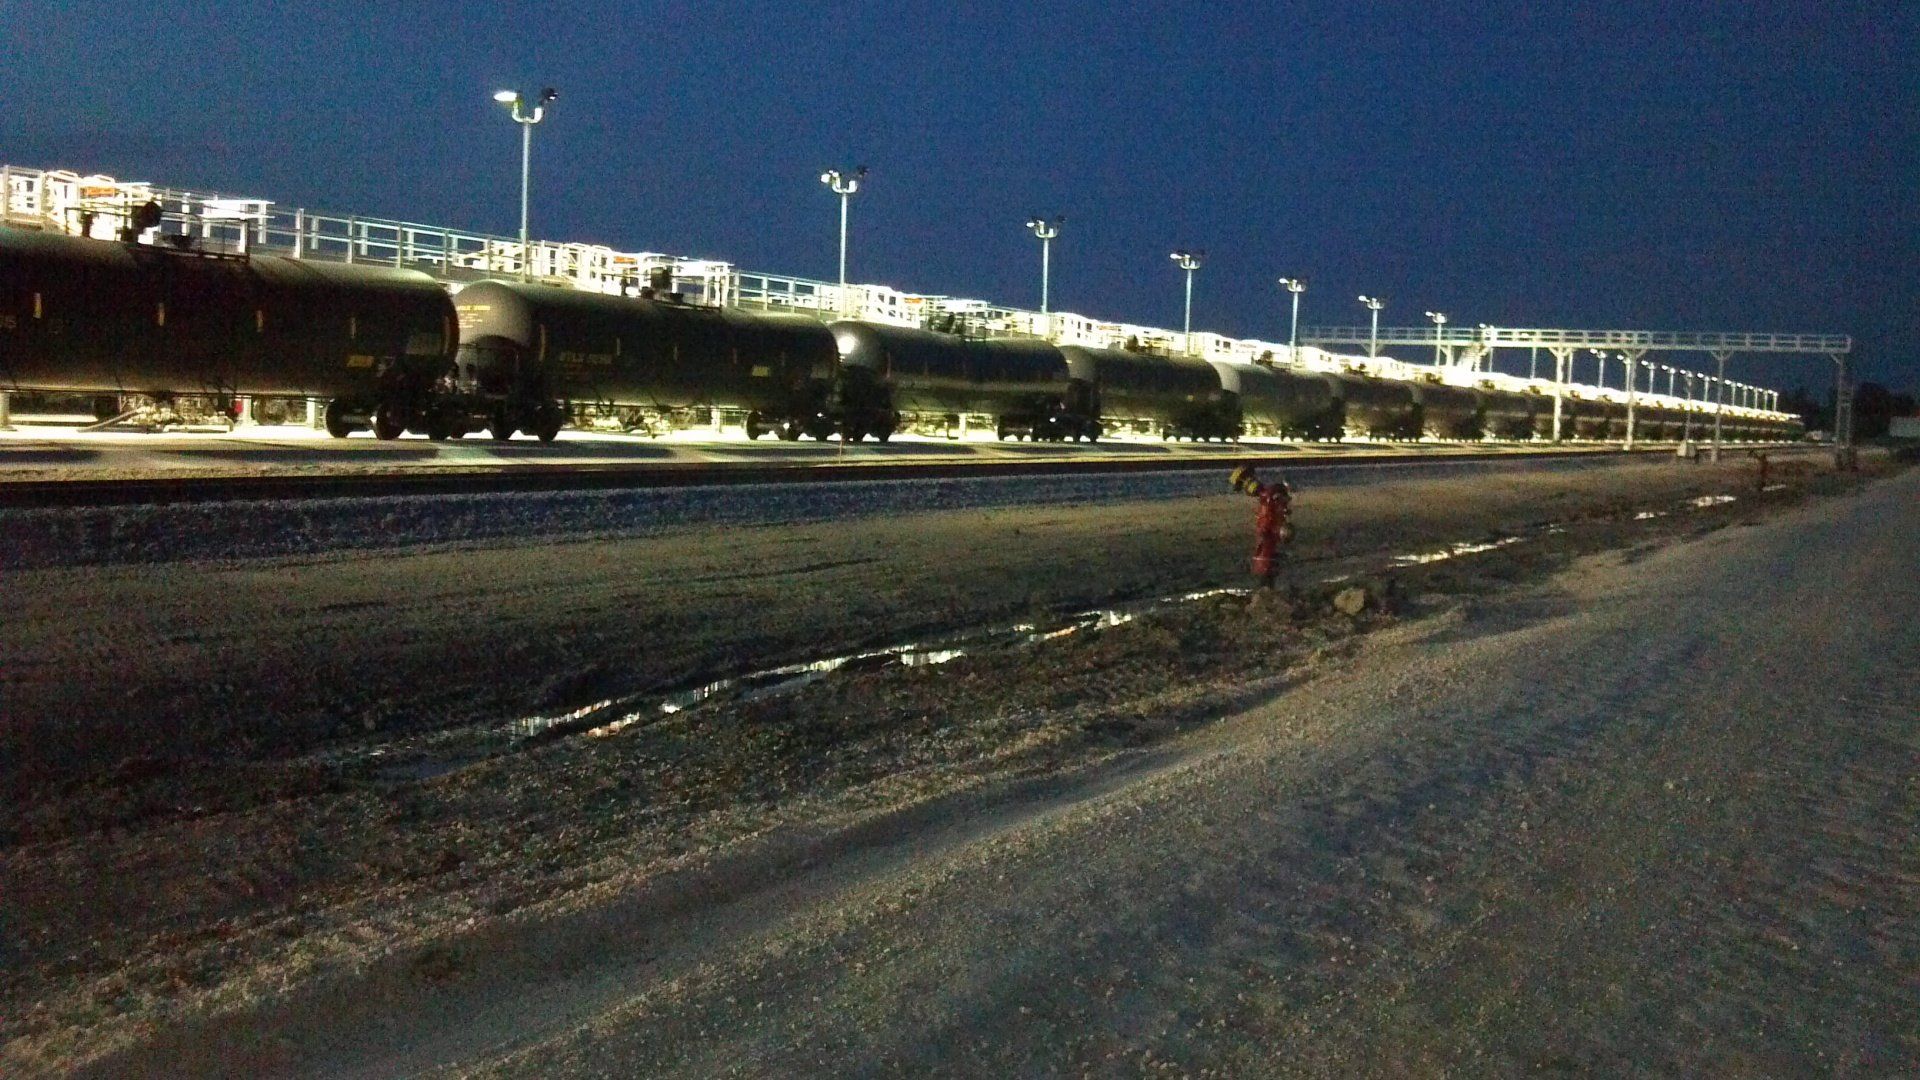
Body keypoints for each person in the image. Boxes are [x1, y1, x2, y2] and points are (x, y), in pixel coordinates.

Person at [1229, 464, 1295, 588]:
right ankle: (1267, 585)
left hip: (1268, 534)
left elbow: (1267, 520)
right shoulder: (1269, 497)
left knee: (1265, 560)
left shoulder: (1268, 499)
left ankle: (1266, 587)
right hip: (1270, 533)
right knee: (1266, 560)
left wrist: (1264, 530)